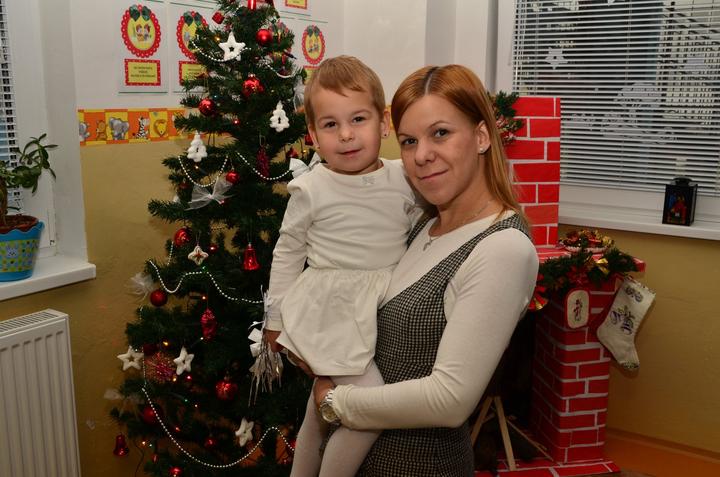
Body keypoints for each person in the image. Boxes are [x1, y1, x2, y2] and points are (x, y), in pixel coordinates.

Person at [312, 64, 539, 476]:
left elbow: (449, 399)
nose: (421, 156)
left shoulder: (503, 248)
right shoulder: (422, 224)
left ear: (481, 136)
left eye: (440, 133)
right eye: (409, 141)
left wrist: (334, 402)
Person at [264, 56, 422, 477]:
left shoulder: (404, 178)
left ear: (384, 122)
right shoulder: (311, 188)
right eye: (331, 124)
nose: (347, 134)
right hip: (331, 309)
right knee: (368, 405)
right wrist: (274, 319)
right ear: (313, 135)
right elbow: (287, 252)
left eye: (358, 119)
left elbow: (420, 231)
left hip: (378, 304)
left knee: (318, 412)